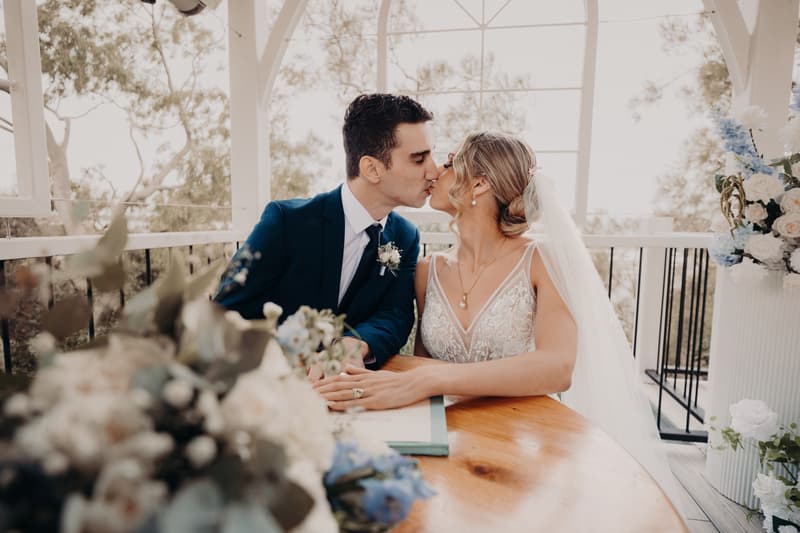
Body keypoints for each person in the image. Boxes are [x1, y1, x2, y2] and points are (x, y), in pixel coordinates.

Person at [314, 130, 686, 516]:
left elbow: (557, 368)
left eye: (448, 163)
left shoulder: (543, 260)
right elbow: (424, 364)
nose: (434, 172)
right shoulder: (428, 270)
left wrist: (431, 379)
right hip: (450, 437)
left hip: (524, 438)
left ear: (478, 182)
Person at [214, 93, 439, 369]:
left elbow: (394, 314)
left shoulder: (406, 236)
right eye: (419, 159)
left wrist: (356, 344)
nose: (434, 171)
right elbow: (226, 311)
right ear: (371, 168)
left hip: (350, 390)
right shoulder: (286, 222)